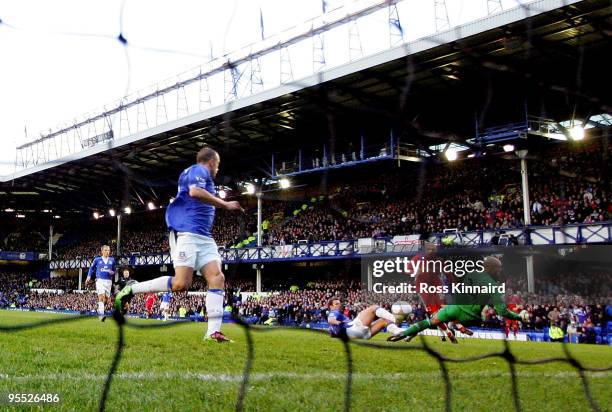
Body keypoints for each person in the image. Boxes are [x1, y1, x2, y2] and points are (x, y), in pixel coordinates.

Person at [114, 147, 243, 343]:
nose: (217, 169)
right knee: (180, 284)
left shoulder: (196, 174)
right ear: (211, 162)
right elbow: (194, 192)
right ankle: (132, 289)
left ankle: (213, 332)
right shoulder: (199, 170)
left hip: (204, 237)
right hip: (187, 233)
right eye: (217, 165)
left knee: (217, 278)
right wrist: (225, 204)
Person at [389, 256, 522, 342]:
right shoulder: (494, 286)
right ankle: (459, 327)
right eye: (498, 269)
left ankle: (403, 334)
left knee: (430, 321)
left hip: (454, 308)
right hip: (471, 316)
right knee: (480, 316)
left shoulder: (472, 274)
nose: (499, 271)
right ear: (492, 269)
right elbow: (502, 312)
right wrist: (519, 317)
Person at [327, 297, 404, 340]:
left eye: (339, 303)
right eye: (336, 304)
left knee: (384, 321)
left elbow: (332, 333)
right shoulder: (334, 312)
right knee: (374, 308)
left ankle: (399, 331)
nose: (339, 305)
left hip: (362, 336)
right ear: (331, 306)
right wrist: (337, 322)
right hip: (355, 328)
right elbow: (330, 320)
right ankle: (396, 320)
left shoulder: (338, 316)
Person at [85, 245, 116, 321]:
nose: (107, 252)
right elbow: (91, 268)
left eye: (108, 250)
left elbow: (114, 270)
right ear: (102, 251)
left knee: (106, 299)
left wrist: (112, 272)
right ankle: (101, 315)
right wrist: (89, 276)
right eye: (105, 250)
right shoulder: (97, 260)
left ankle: (100, 309)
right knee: (101, 297)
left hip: (109, 281)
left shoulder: (112, 260)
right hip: (100, 281)